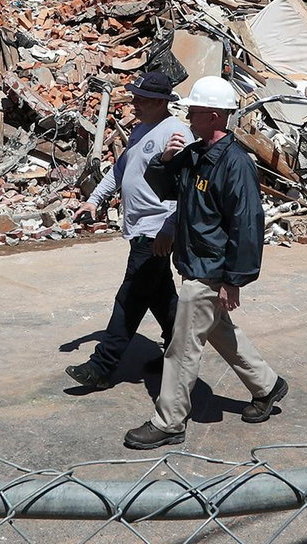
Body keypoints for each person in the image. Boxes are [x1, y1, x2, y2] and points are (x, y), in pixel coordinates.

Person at [123, 76, 288, 449]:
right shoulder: (196, 155)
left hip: (211, 269)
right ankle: (267, 385)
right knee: (217, 330)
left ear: (213, 116)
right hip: (195, 261)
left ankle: (169, 420)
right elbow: (165, 188)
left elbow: (247, 226)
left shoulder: (235, 164)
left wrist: (234, 280)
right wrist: (165, 160)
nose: (187, 118)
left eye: (193, 112)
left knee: (182, 346)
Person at [65, 71, 193, 391]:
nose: (134, 104)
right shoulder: (140, 130)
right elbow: (120, 170)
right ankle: (179, 354)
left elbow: (186, 189)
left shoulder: (177, 133)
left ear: (162, 103)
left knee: (131, 297)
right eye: (134, 97)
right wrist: (95, 200)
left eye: (142, 99)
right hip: (139, 228)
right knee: (161, 297)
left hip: (156, 229)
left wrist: (169, 227)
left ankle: (102, 366)